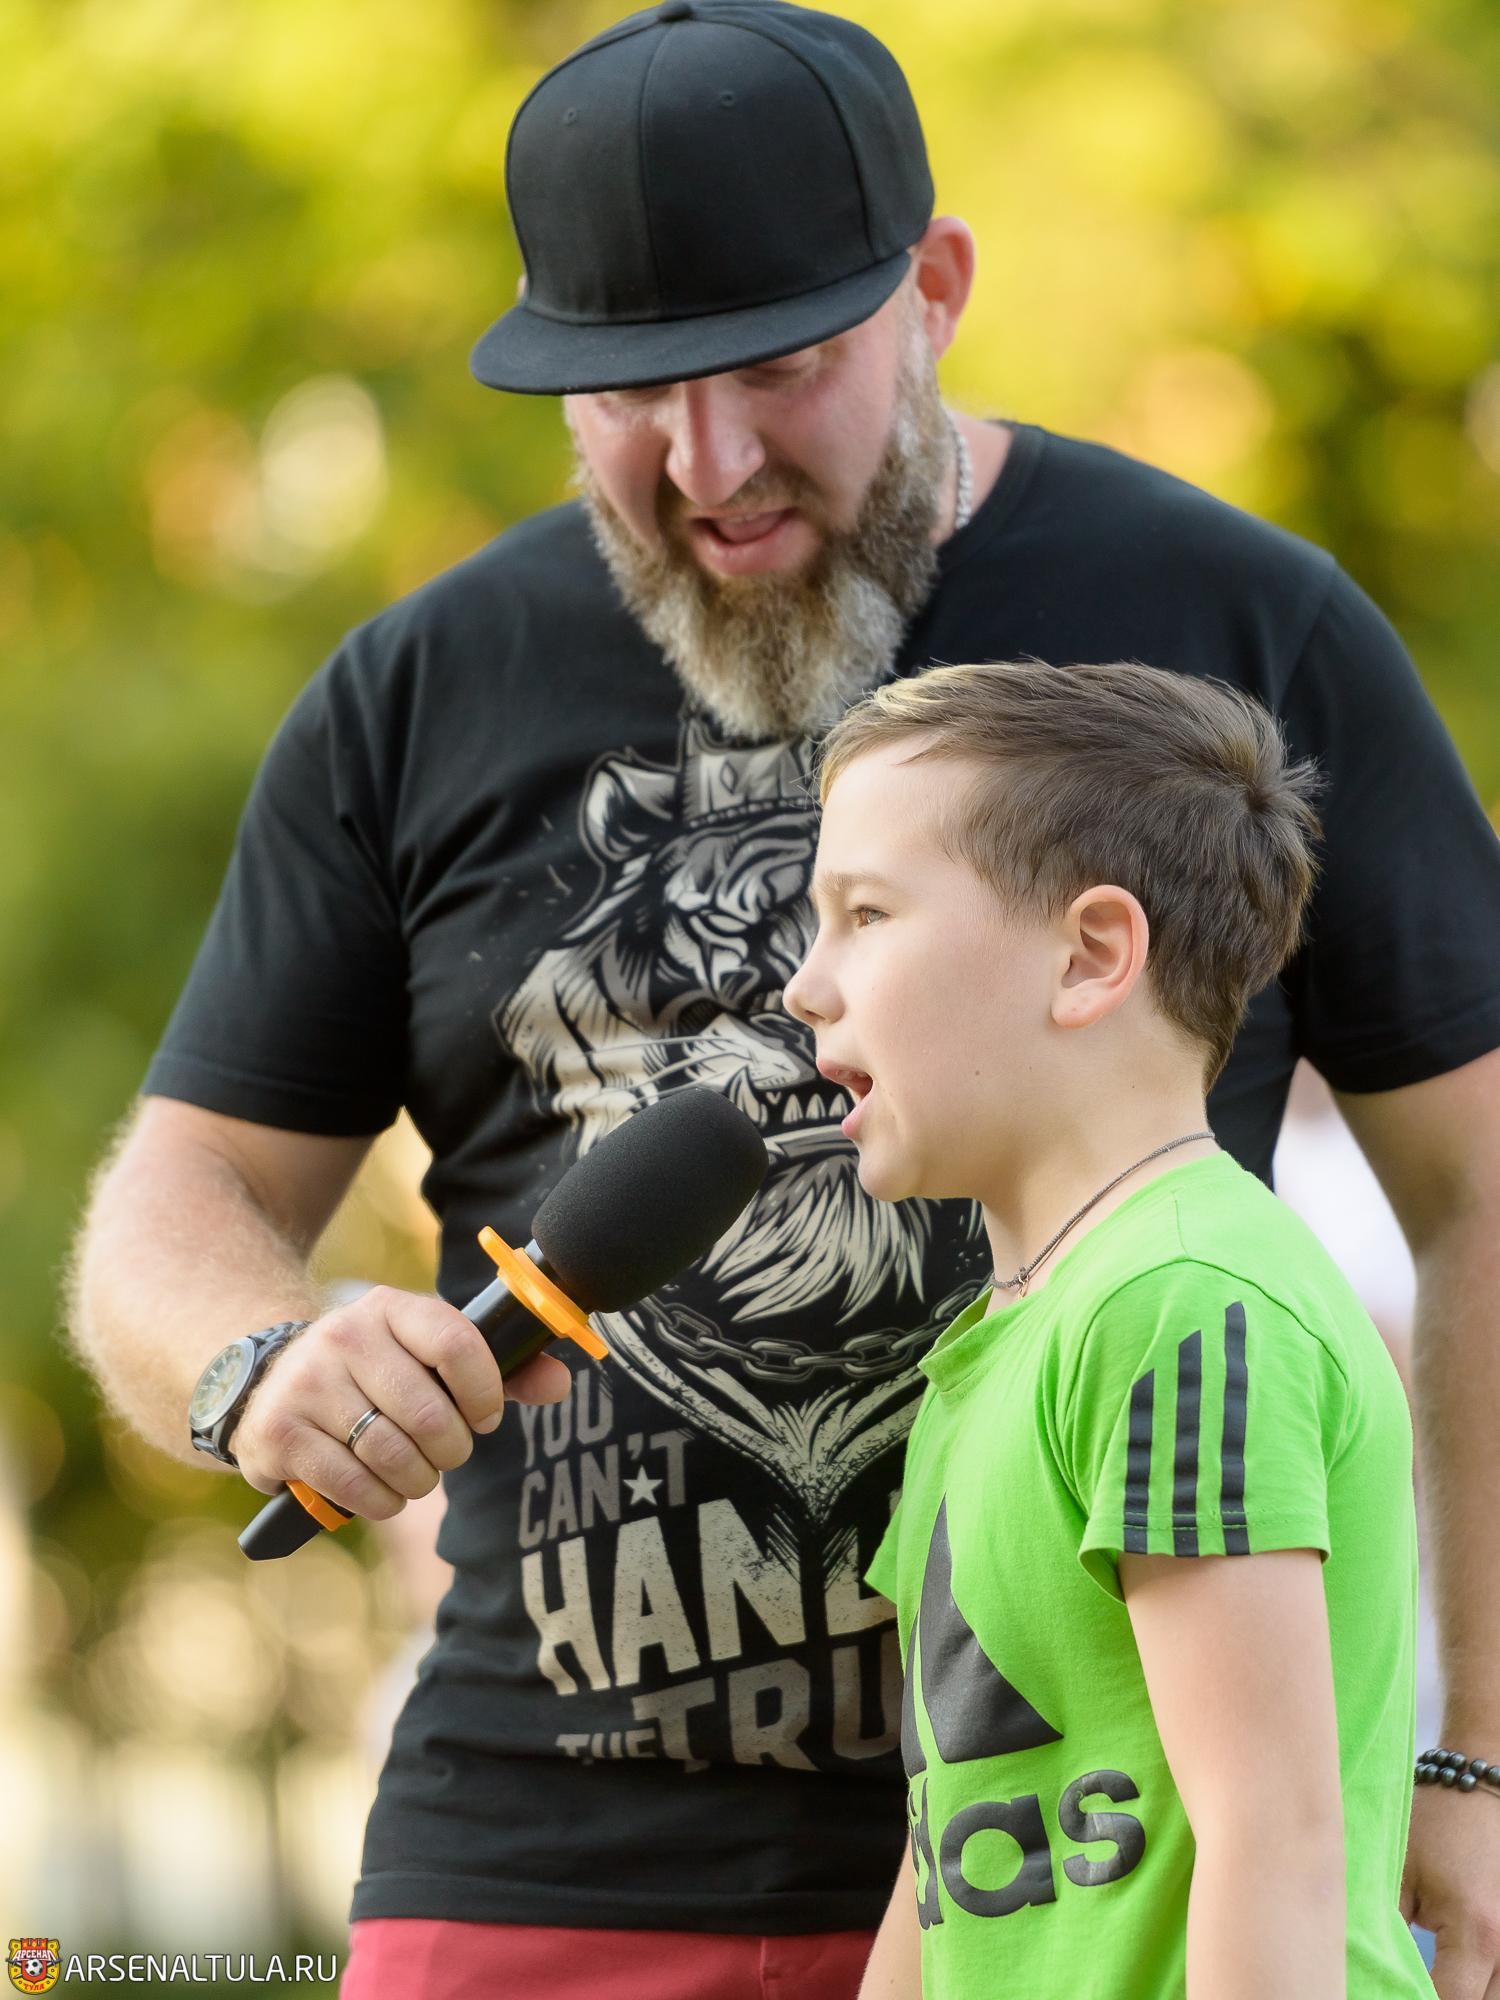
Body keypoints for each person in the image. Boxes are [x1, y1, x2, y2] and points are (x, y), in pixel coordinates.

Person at [65, 3, 1500, 1997]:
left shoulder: (1248, 628)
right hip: (532, 1864)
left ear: (937, 292)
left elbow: (1478, 1193)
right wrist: (253, 1364)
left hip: (1127, 1884)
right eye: (631, 398)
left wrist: (1472, 1753)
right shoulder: (411, 693)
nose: (710, 465)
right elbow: (180, 1197)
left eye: (777, 370)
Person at [783, 658, 1431, 1998]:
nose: (805, 985)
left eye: (866, 915)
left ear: (1089, 957)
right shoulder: (1007, 1337)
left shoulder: (1178, 1299)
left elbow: (1272, 1841)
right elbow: (950, 1838)